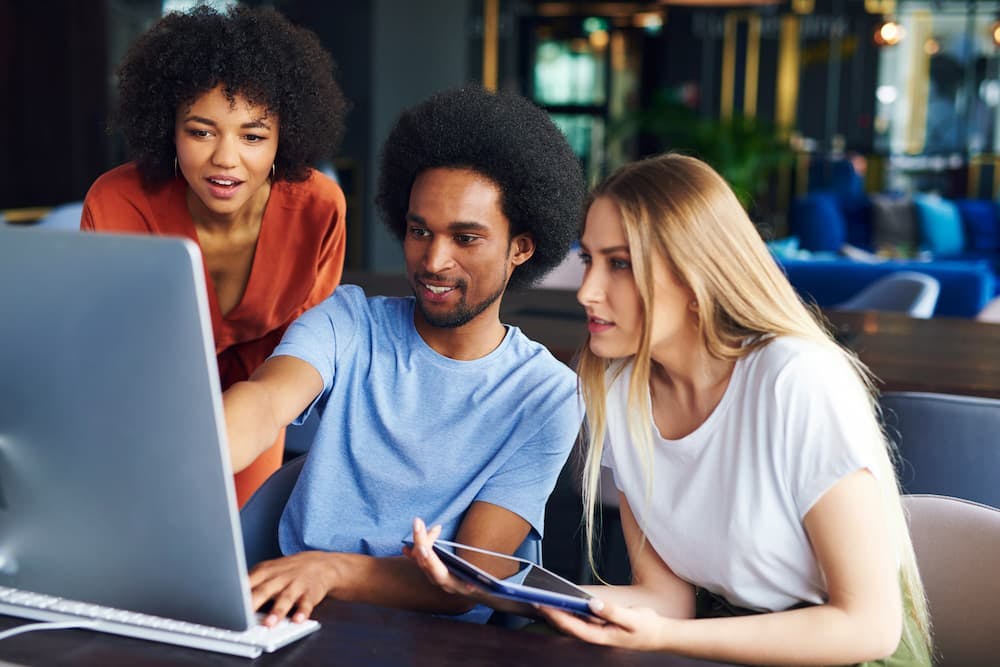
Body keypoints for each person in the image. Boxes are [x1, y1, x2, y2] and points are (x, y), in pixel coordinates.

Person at [410, 153, 932, 666]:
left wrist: (664, 636)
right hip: (712, 640)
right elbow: (666, 600)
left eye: (620, 265)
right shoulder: (618, 388)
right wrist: (497, 591)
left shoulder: (793, 379)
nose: (587, 291)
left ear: (694, 275)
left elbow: (870, 627)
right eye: (589, 259)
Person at [224, 85, 586, 626]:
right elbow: (264, 401)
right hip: (294, 620)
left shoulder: (546, 395)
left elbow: (468, 579)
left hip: (435, 643)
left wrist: (332, 570)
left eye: (466, 238)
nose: (433, 260)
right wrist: (183, 457)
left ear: (521, 247)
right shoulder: (349, 321)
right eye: (420, 231)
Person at [80, 5, 349, 506]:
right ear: (168, 128)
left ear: (283, 138)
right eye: (201, 132)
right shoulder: (117, 202)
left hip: (256, 402)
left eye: (253, 136)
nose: (226, 158)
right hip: (140, 403)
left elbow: (308, 348)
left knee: (239, 550)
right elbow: (103, 349)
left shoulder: (318, 208)